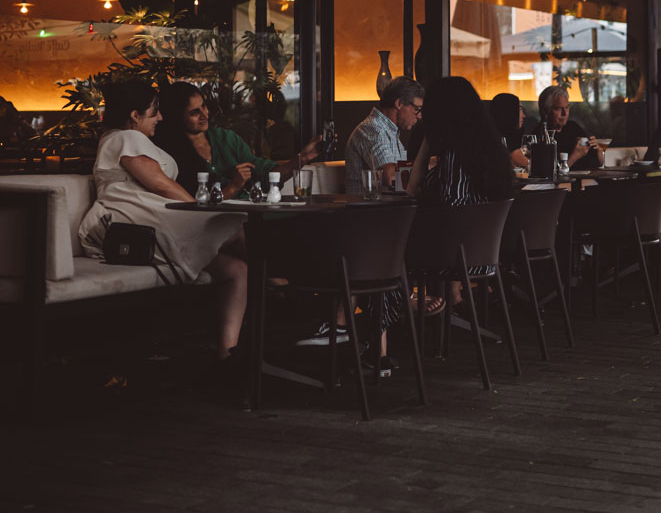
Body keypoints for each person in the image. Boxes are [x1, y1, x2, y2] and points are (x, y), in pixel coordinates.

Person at [78, 81, 247, 361]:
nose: (160, 117)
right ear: (134, 115)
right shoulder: (125, 138)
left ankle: (227, 356)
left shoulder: (130, 139)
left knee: (236, 269)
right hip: (132, 221)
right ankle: (280, 280)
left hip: (148, 216)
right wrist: (199, 211)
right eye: (154, 111)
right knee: (236, 230)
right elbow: (160, 184)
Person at [408, 75, 514, 307]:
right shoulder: (491, 150)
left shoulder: (455, 157)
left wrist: (427, 143)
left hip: (455, 258)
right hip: (486, 255)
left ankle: (403, 309)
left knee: (390, 248)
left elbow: (416, 192)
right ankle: (417, 305)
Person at [155, 81, 320, 198]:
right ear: (177, 117)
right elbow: (194, 203)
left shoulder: (226, 138)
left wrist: (302, 158)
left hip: (247, 215)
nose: (204, 115)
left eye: (204, 106)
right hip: (212, 222)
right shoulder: (169, 154)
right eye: (194, 112)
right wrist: (234, 185)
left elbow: (265, 174)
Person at [344, 76, 424, 195]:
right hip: (370, 206)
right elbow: (390, 177)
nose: (419, 116)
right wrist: (426, 164)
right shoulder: (373, 129)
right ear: (399, 103)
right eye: (417, 109)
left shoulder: (389, 132)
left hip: (387, 204)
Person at [533, 85, 602, 170]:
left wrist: (598, 150)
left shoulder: (573, 127)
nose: (564, 113)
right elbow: (550, 173)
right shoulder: (540, 136)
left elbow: (598, 163)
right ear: (545, 111)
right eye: (558, 108)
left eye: (566, 107)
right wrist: (575, 156)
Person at [487, 92, 527, 168]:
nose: (523, 115)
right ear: (508, 112)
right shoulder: (510, 149)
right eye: (519, 109)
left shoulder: (492, 139)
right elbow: (533, 168)